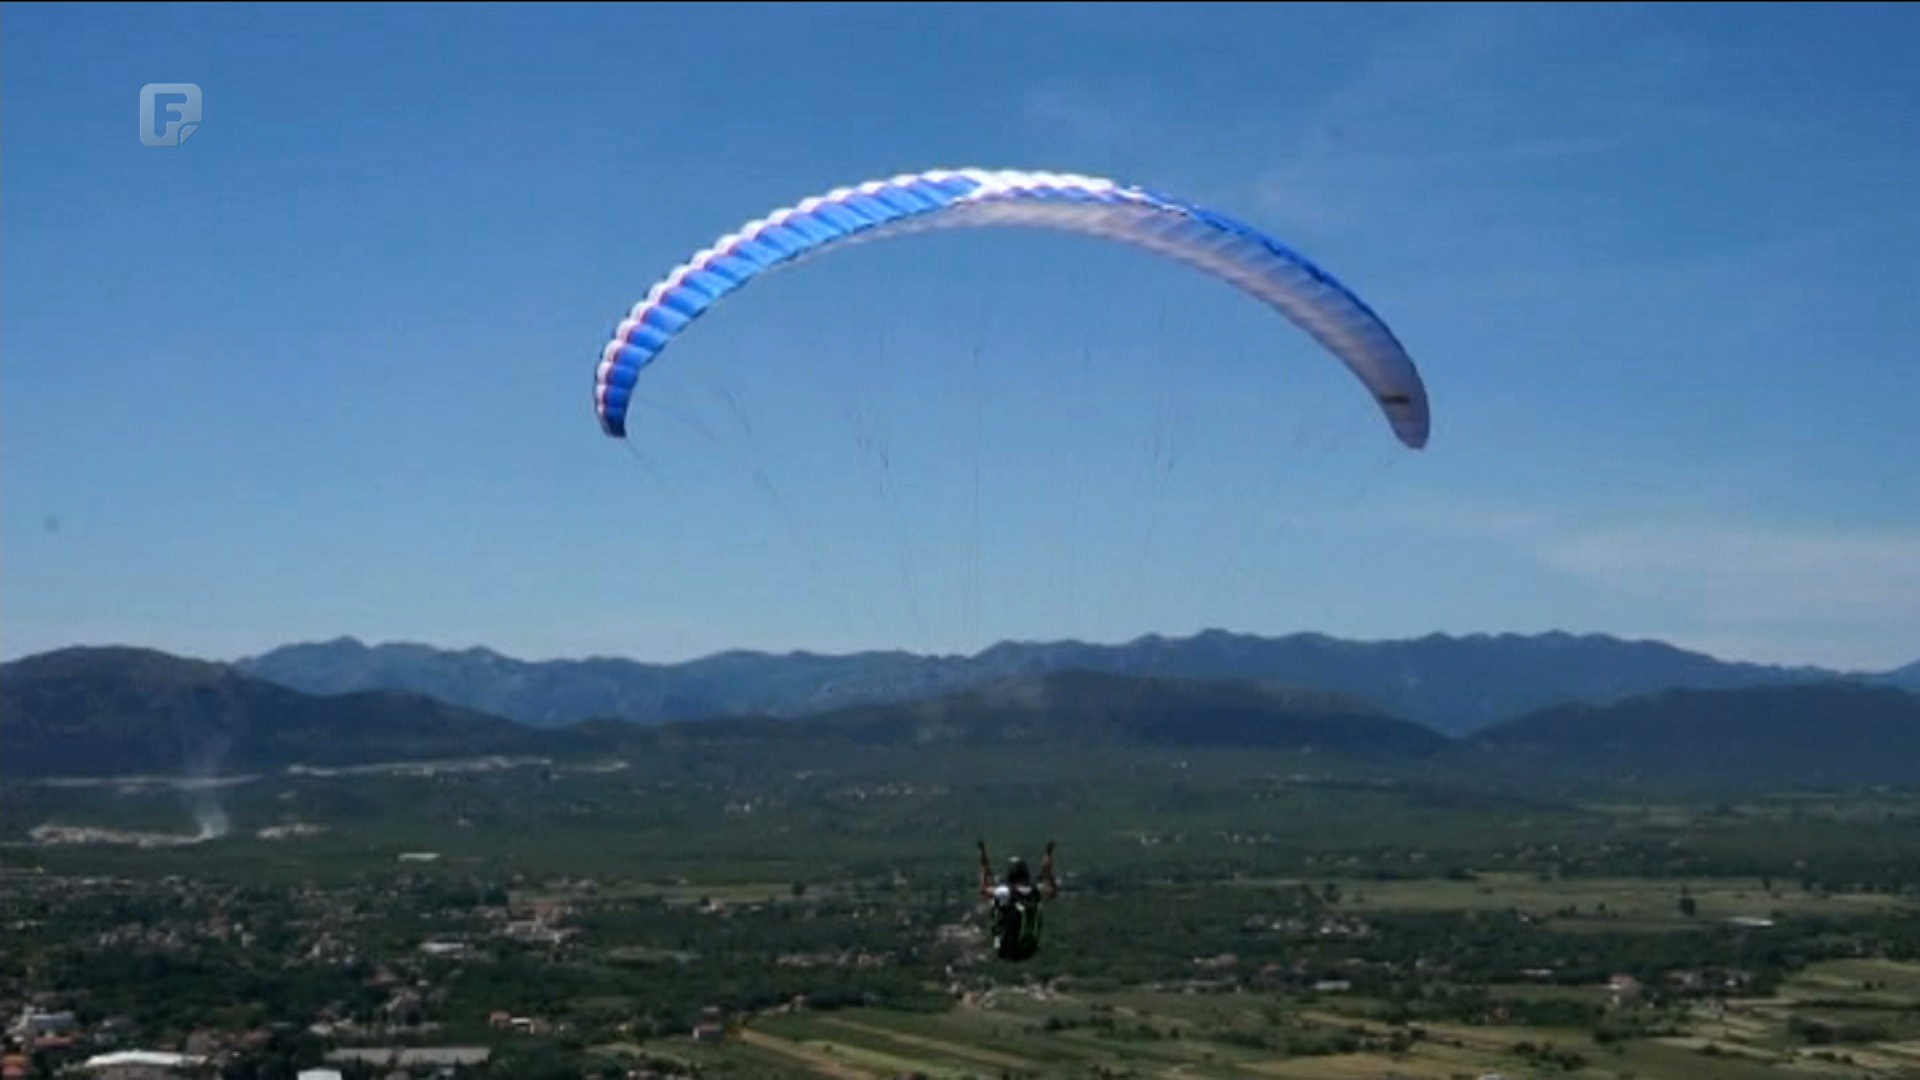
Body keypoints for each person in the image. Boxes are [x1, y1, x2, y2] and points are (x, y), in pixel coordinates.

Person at [977, 839, 1058, 962]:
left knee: (996, 906)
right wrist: (1048, 855)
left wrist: (983, 861)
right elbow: (1052, 890)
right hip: (1028, 951)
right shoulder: (1035, 892)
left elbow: (984, 890)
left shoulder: (1005, 892)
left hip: (1007, 950)